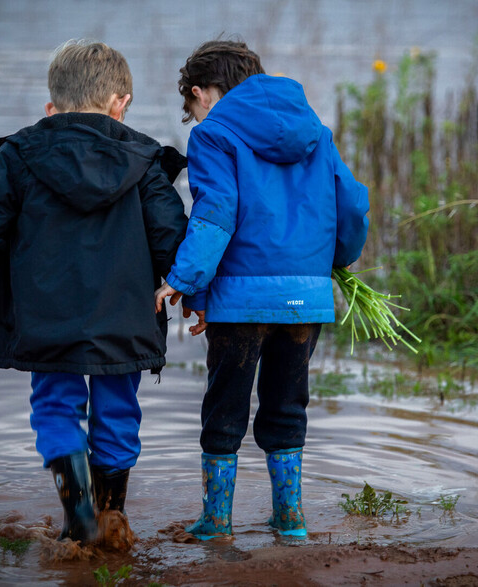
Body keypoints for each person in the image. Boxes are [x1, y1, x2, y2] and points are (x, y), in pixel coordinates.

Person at [0, 40, 188, 544]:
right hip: (125, 317)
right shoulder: (145, 159)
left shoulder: (21, 155)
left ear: (51, 108)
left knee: (54, 408)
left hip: (46, 317)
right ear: (121, 103)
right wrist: (195, 294)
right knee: (118, 413)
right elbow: (172, 238)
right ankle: (112, 521)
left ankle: (79, 521)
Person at [154, 39, 369, 540]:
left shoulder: (213, 134)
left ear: (200, 92)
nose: (195, 117)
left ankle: (216, 522)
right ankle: (291, 519)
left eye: (192, 108)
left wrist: (182, 283)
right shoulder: (317, 133)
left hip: (242, 303)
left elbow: (214, 216)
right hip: (307, 300)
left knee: (226, 405)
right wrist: (333, 263)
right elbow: (353, 206)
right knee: (288, 403)